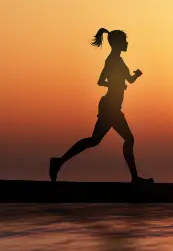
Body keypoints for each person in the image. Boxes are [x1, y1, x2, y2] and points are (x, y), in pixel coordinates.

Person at [49, 28, 153, 184]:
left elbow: (127, 80)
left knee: (94, 140)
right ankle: (135, 178)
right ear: (116, 43)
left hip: (112, 107)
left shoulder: (118, 60)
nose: (127, 43)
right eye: (124, 41)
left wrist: (133, 77)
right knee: (128, 139)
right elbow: (101, 80)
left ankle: (58, 162)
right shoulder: (112, 60)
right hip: (110, 107)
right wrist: (114, 84)